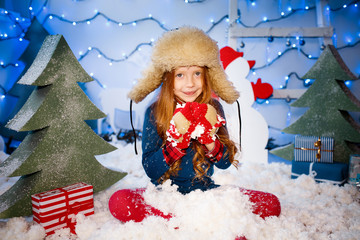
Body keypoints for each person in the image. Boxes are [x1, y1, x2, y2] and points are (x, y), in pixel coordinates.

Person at [109, 26, 281, 224]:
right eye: (180, 75)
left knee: (271, 204)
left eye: (197, 73)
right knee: (120, 200)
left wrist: (209, 140)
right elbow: (151, 169)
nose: (190, 83)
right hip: (166, 195)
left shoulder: (213, 108)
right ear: (167, 77)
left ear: (207, 75)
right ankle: (193, 221)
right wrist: (176, 143)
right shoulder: (155, 112)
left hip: (205, 193)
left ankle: (186, 222)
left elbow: (224, 163)